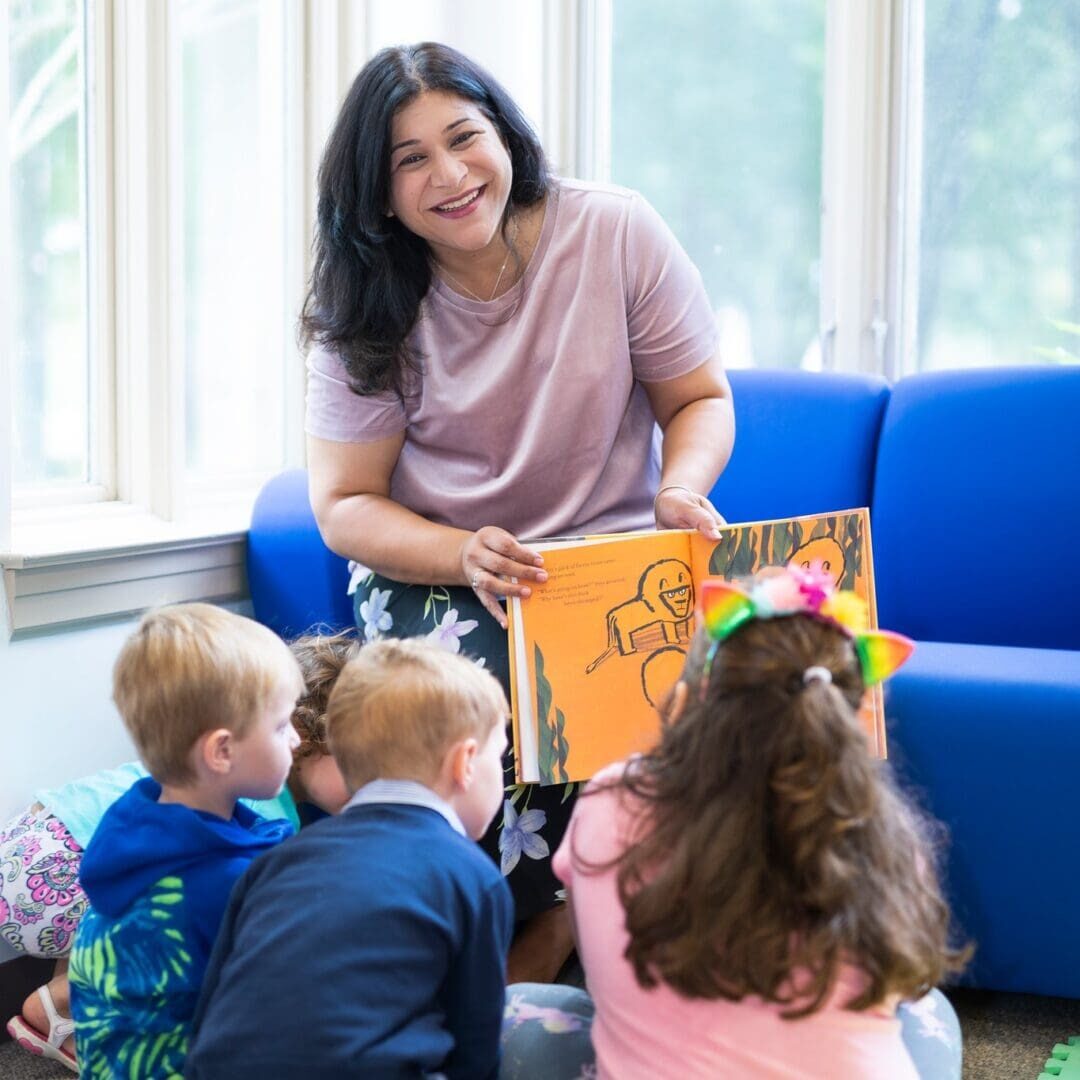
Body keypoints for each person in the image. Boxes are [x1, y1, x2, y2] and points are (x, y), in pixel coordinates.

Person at [303, 40, 735, 980]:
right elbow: (344, 505)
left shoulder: (614, 231)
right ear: (379, 195)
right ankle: (468, 935)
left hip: (609, 557)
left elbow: (699, 398)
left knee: (671, 667)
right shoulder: (365, 301)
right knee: (487, 682)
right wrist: (462, 554)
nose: (451, 175)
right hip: (434, 568)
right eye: (410, 159)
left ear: (505, 133)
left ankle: (560, 928)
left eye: (464, 137)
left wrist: (679, 487)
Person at [507, 565, 969, 1079]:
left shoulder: (612, 800)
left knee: (520, 1010)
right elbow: (899, 982)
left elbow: (598, 964)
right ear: (841, 725)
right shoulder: (887, 838)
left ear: (681, 705)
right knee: (930, 1013)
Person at [2, 628, 356, 1074]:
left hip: (32, 845)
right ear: (307, 736)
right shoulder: (262, 811)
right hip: (52, 879)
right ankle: (60, 1001)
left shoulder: (186, 775)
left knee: (152, 880)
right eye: (358, 762)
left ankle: (67, 1013)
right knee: (197, 916)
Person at [185, 638, 514, 1080]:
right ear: (466, 763)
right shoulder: (473, 876)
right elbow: (475, 1048)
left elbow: (211, 1007)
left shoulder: (276, 860)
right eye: (500, 756)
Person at [60, 604, 306, 1078]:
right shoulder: (218, 884)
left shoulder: (137, 818)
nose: (295, 739)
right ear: (222, 751)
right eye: (280, 726)